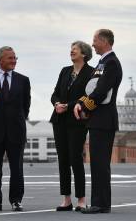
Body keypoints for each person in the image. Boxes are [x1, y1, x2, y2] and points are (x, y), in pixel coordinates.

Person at [74, 29, 122, 214]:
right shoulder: (102, 63)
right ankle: (99, 202)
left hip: (104, 120)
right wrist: (80, 103)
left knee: (100, 163)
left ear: (104, 41)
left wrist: (84, 107)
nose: (92, 44)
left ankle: (101, 204)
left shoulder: (111, 63)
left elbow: (101, 91)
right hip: (97, 119)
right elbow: (91, 89)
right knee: (96, 163)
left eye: (94, 41)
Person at [0, 46, 31, 212]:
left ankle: (16, 200)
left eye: (15, 58)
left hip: (16, 131)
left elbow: (26, 107)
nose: (14, 61)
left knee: (17, 169)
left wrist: (16, 121)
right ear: (0, 60)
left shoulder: (23, 80)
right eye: (10, 58)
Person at [50, 41, 93, 212]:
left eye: (74, 50)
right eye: (71, 50)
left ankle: (81, 199)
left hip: (77, 120)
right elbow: (54, 93)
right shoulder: (65, 71)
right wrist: (56, 104)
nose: (71, 52)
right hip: (59, 119)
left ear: (84, 53)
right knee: (63, 160)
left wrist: (68, 105)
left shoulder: (91, 72)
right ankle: (66, 199)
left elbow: (88, 96)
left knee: (75, 158)